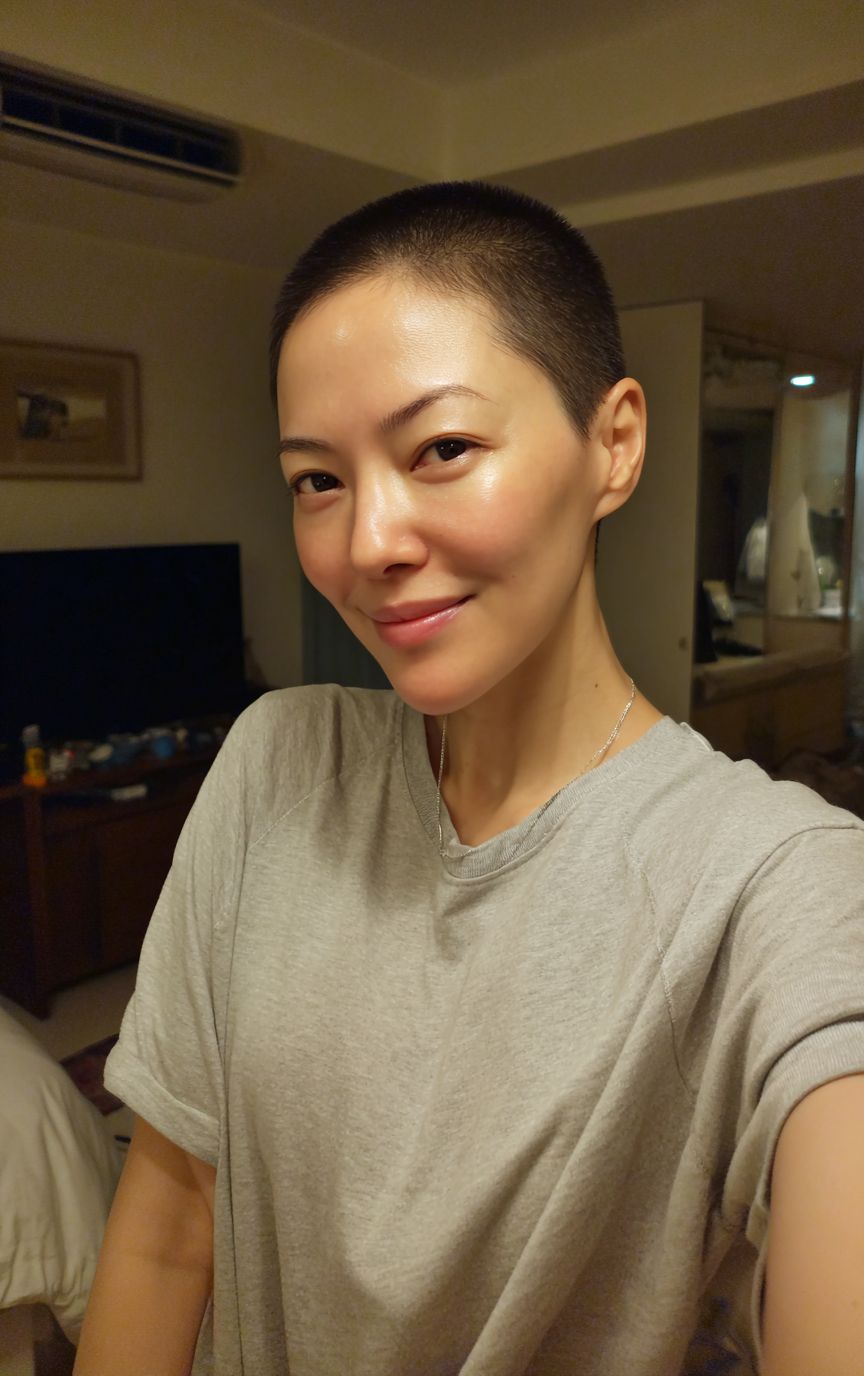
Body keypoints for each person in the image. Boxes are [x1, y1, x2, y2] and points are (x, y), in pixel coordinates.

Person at [75, 182, 864, 1376]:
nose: (367, 543)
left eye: (442, 449)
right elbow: (172, 1224)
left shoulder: (771, 878)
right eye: (317, 479)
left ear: (614, 443)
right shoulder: (277, 763)